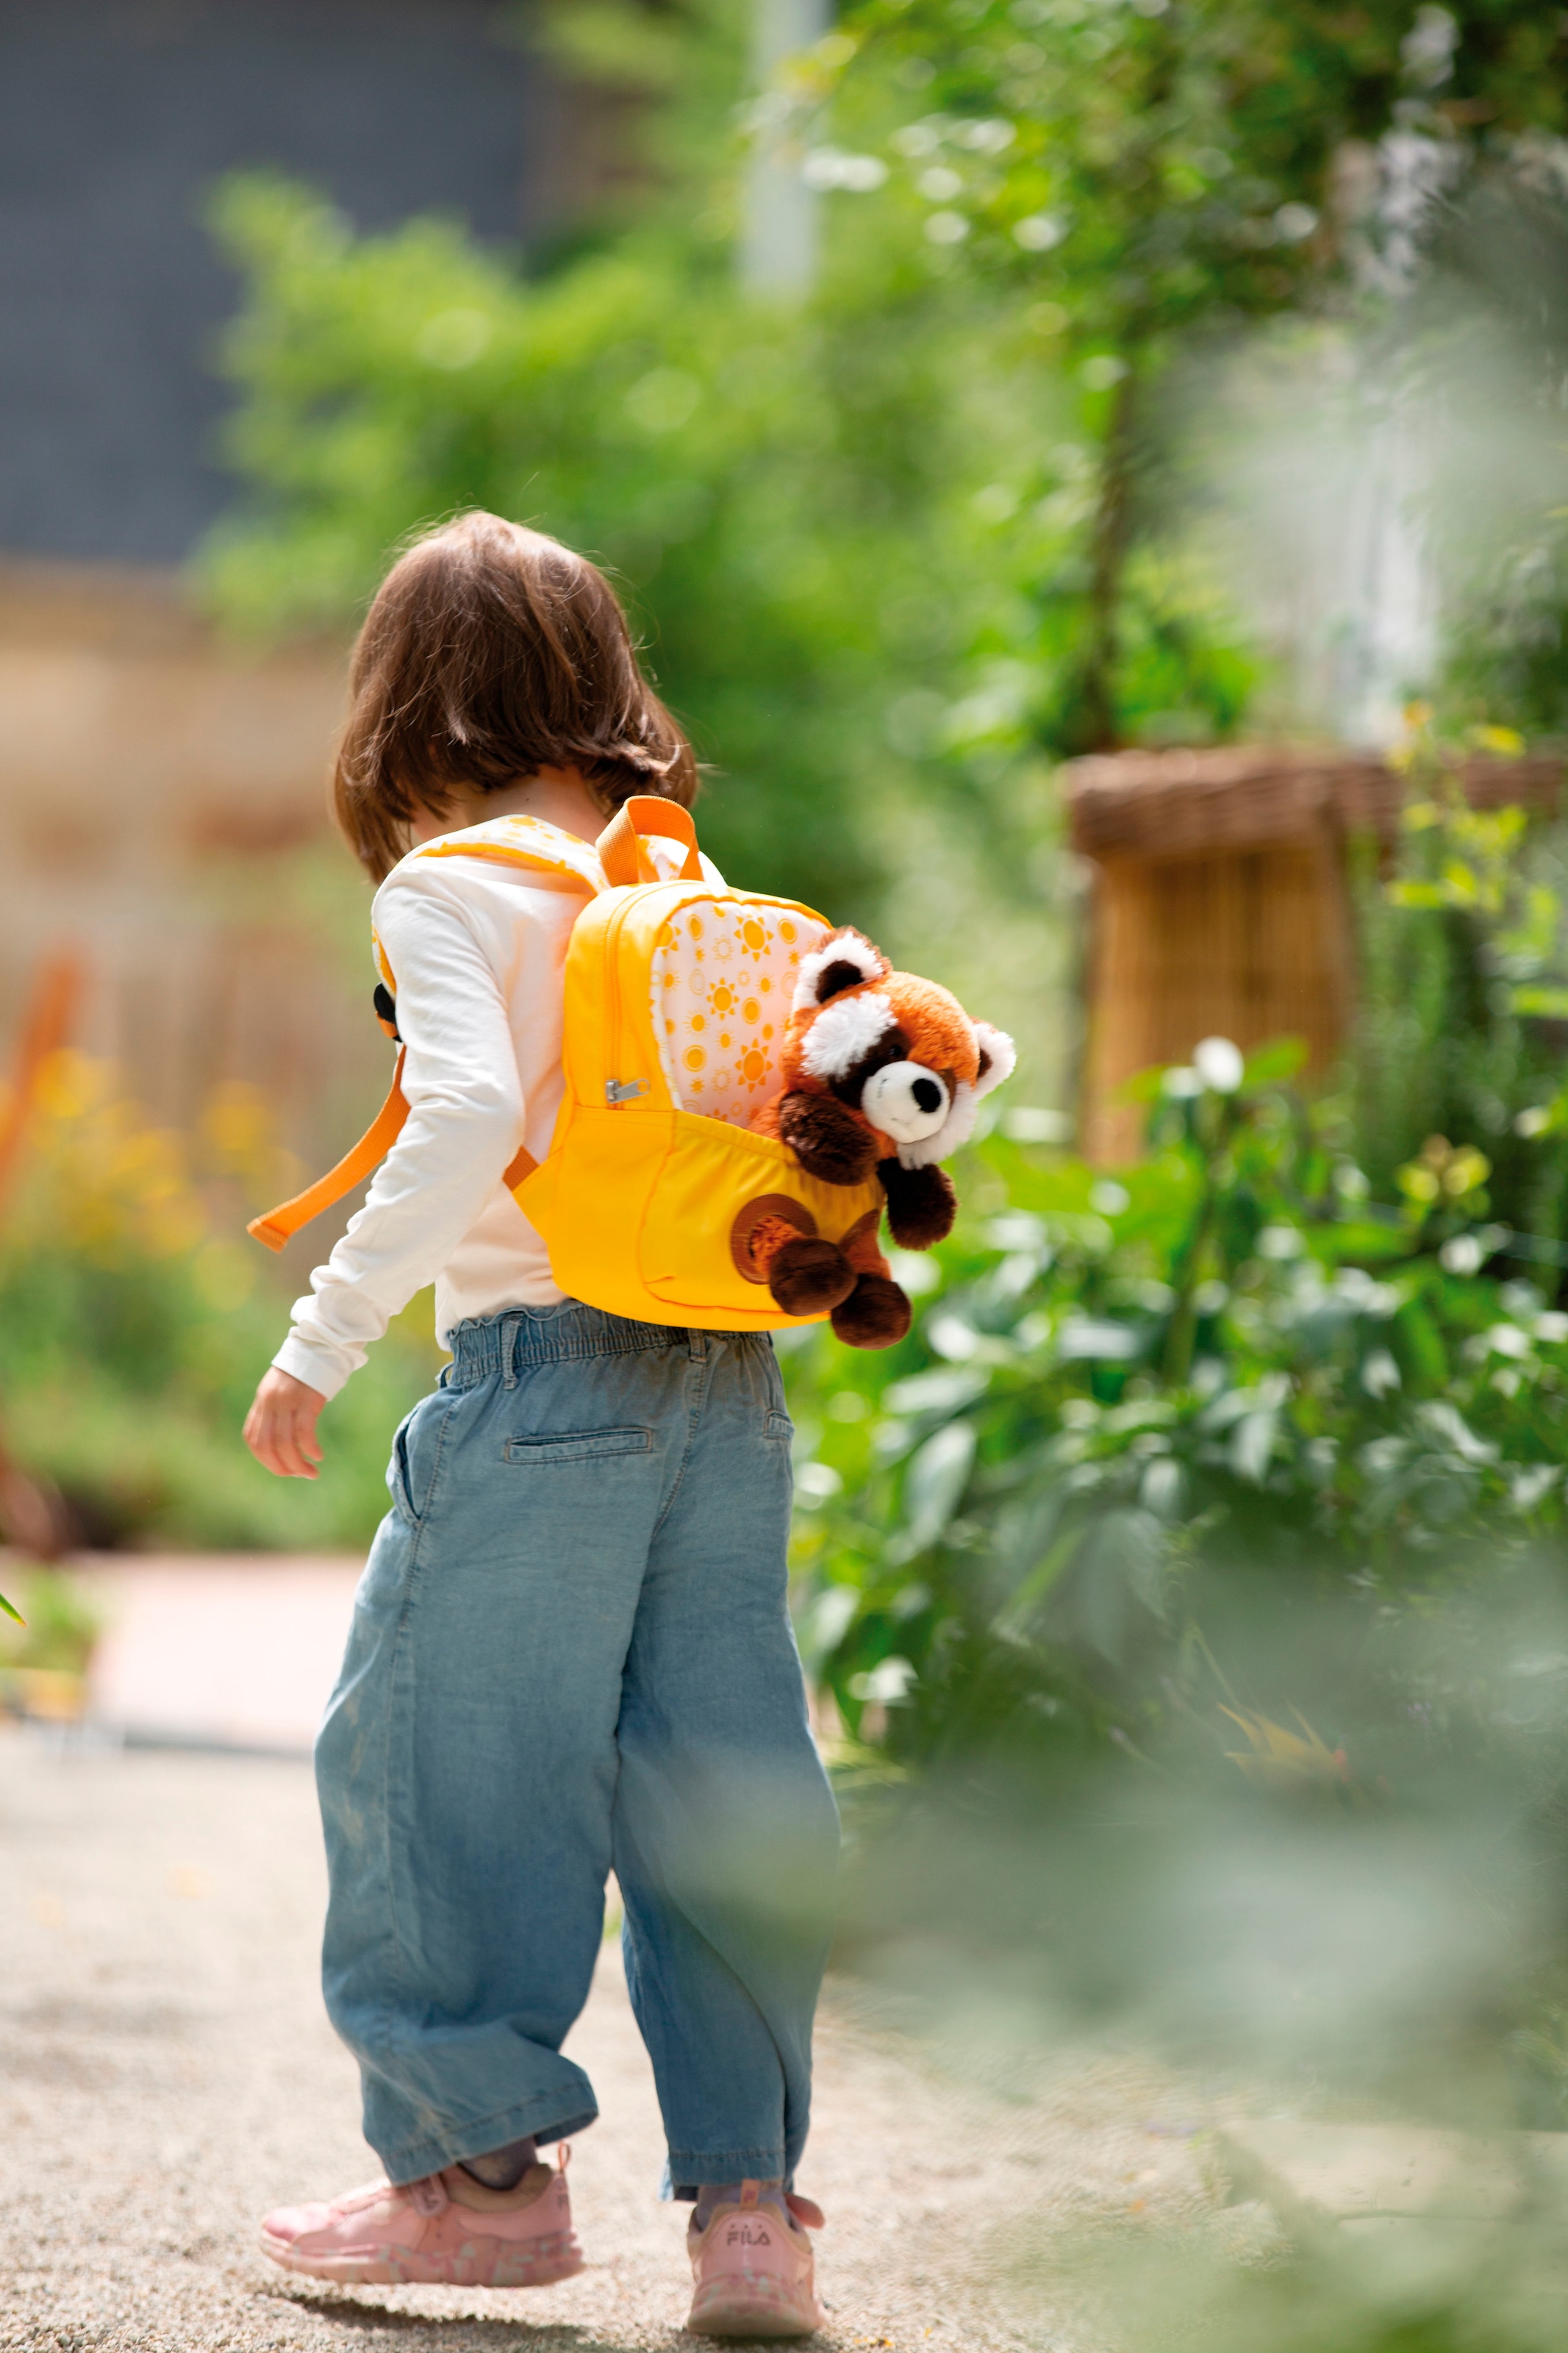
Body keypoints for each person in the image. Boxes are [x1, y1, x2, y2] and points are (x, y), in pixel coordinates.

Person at [243, 512, 838, 2339]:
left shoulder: (448, 884)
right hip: (726, 1387)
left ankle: (476, 2181)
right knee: (720, 1783)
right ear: (601, 685)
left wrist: (323, 1333)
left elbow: (465, 1108)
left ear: (403, 704)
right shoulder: (676, 874)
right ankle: (751, 2215)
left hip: (539, 1383)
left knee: (439, 1766)